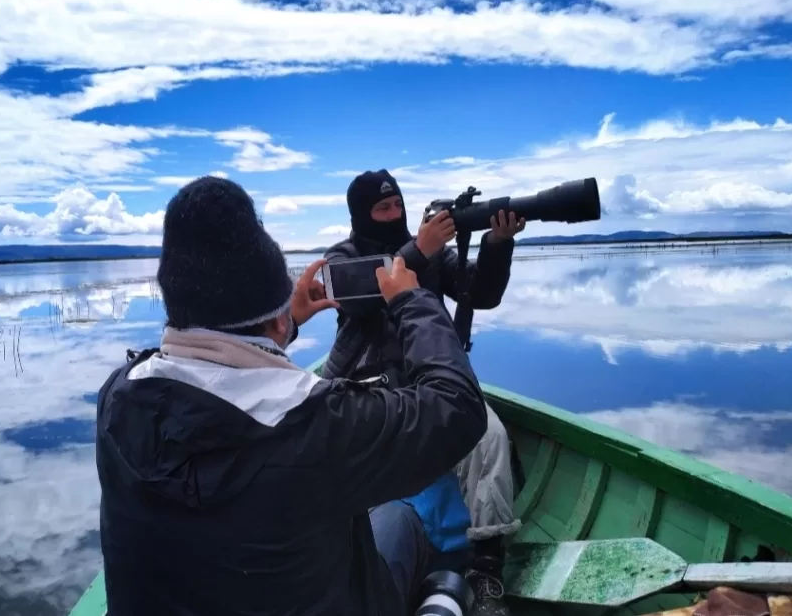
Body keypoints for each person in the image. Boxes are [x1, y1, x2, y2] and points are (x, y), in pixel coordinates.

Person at [94, 175, 491, 616]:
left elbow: (218, 367)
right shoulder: (318, 422)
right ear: (277, 317)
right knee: (402, 521)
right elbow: (458, 409)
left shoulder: (117, 395)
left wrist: (283, 330)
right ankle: (446, 594)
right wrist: (412, 301)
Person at [322, 169, 526, 616]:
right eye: (382, 208)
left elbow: (482, 294)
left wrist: (497, 244)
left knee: (490, 436)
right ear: (362, 214)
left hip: (433, 385)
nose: (393, 213)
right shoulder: (344, 256)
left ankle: (487, 567)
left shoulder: (432, 255)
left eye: (397, 204)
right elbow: (357, 295)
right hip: (369, 388)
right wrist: (419, 251)